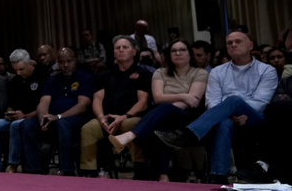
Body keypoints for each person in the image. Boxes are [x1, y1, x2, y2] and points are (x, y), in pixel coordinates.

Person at [156, 30, 278, 183]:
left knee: (234, 100)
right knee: (223, 122)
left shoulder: (266, 70)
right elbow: (212, 101)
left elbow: (260, 102)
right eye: (229, 43)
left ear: (250, 45)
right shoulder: (217, 71)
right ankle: (218, 175)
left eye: (238, 41)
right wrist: (228, 115)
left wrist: (234, 109)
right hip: (225, 117)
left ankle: (190, 133)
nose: (233, 45)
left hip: (254, 118)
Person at [108, 39, 208, 181]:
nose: (178, 53)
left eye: (182, 50)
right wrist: (183, 96)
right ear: (169, 55)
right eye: (174, 51)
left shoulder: (200, 73)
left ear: (189, 54)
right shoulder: (160, 73)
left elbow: (193, 101)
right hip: (163, 116)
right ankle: (163, 176)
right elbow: (158, 97)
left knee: (163, 111)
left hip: (188, 117)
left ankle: (131, 135)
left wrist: (173, 103)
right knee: (161, 129)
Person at [79, 36, 153, 176]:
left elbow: (143, 102)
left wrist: (124, 117)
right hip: (107, 119)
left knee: (130, 124)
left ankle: (140, 168)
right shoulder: (104, 75)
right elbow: (97, 99)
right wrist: (101, 118)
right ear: (113, 53)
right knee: (88, 128)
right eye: (117, 48)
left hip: (131, 117)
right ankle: (88, 171)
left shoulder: (143, 74)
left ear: (134, 52)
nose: (121, 50)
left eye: (125, 47)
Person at [20, 48, 93, 175]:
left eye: (69, 61)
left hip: (75, 119)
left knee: (63, 124)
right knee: (26, 125)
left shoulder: (85, 77)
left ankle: (67, 170)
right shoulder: (52, 80)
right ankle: (33, 171)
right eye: (62, 62)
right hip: (52, 120)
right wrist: (43, 118)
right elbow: (43, 103)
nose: (65, 65)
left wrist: (59, 117)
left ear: (75, 60)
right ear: (58, 63)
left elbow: (83, 105)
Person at [0, 49, 50, 173]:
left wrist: (26, 116)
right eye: (15, 70)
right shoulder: (14, 81)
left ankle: (12, 164)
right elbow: (10, 104)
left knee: (17, 125)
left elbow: (45, 107)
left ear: (30, 64)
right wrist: (9, 112)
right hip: (15, 118)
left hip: (33, 118)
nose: (18, 73)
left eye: (21, 69)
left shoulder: (43, 77)